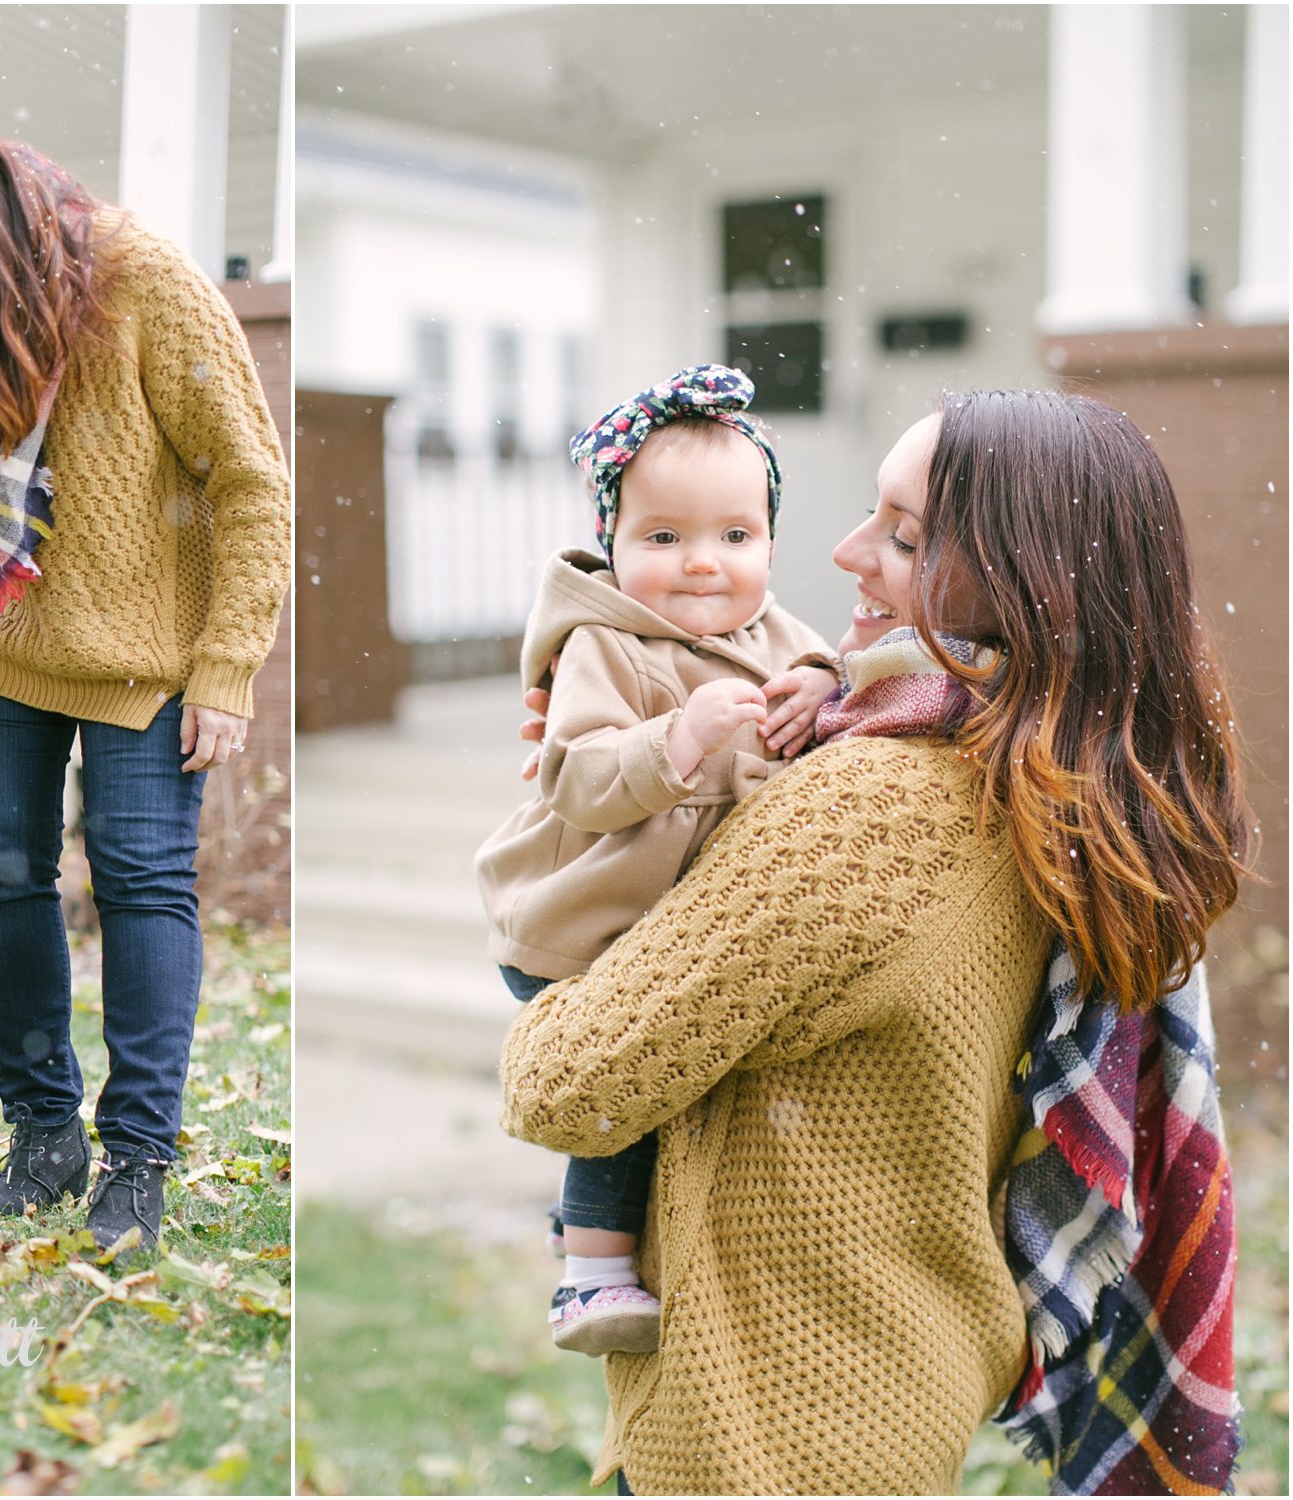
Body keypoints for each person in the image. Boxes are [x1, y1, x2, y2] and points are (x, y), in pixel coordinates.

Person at [501, 390, 1247, 1493]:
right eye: (870, 513)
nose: (847, 552)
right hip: (899, 1371)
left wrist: (572, 880)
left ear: (1024, 584)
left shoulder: (872, 806)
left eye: (903, 537)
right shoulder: (1052, 779)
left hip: (758, 1422)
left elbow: (567, 1085)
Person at [0, 119, 290, 1253]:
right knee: (2, 881)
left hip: (146, 659)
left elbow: (251, 483)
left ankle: (137, 1157)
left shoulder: (142, 281)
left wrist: (227, 665)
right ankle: (42, 1135)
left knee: (140, 880)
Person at [475, 365, 838, 1356]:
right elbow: (577, 780)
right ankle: (588, 1276)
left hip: (678, 931)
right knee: (624, 1083)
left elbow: (832, 676)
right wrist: (677, 739)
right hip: (582, 921)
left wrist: (819, 682)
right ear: (613, 543)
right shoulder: (606, 645)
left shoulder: (778, 636)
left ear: (769, 543)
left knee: (676, 1084)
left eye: (736, 537)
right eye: (664, 538)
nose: (703, 565)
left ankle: (622, 1242)